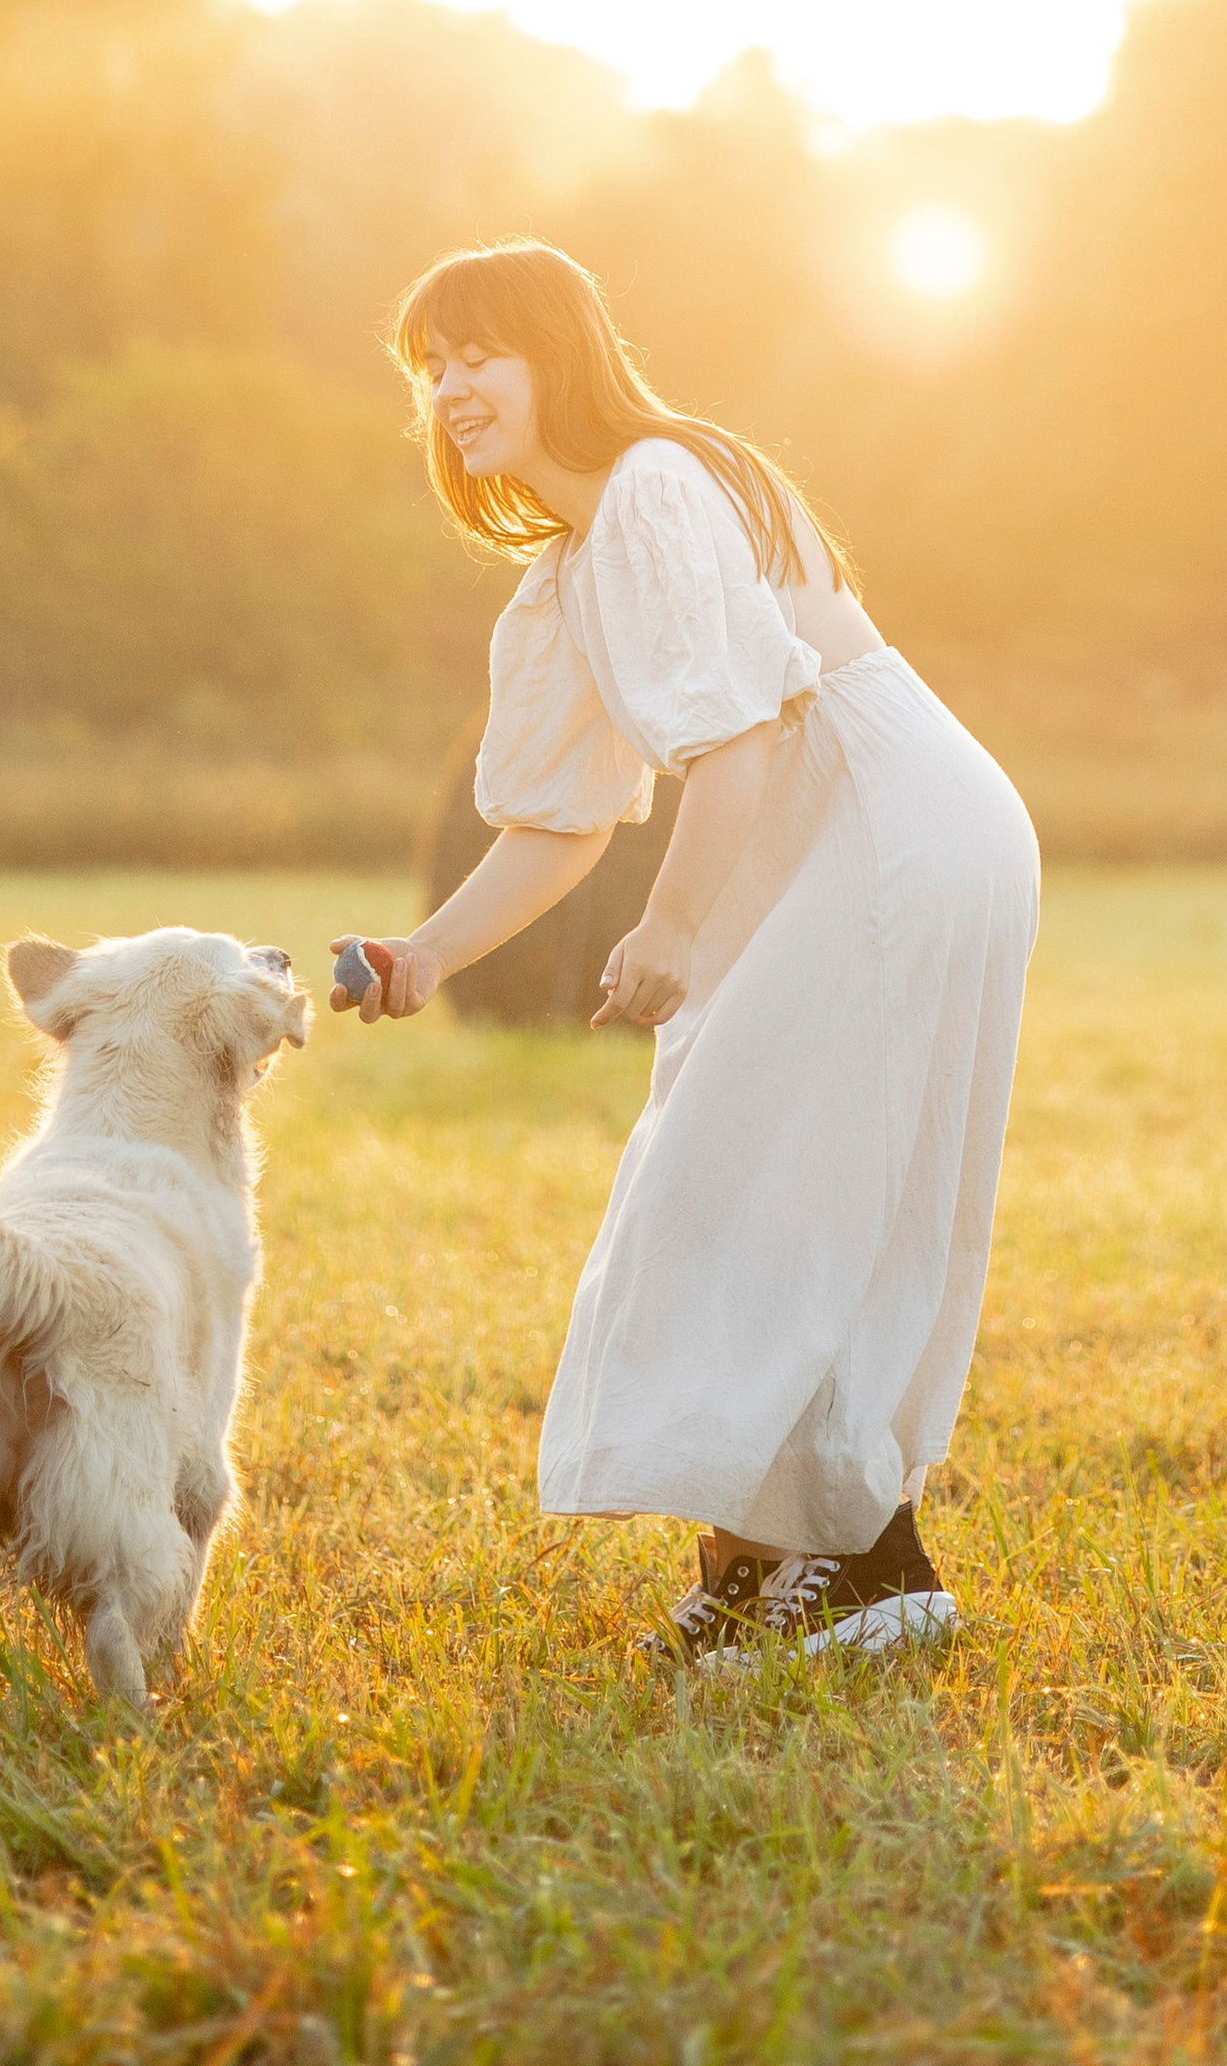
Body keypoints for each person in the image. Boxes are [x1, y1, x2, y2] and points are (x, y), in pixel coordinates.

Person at [334, 238, 1039, 1663]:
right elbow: (559, 827)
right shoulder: (570, 575)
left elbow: (739, 738)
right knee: (739, 1189)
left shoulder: (660, 486)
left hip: (894, 827)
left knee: (758, 1187)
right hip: (839, 840)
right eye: (433, 366)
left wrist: (667, 932)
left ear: (562, 355)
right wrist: (425, 958)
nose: (453, 385)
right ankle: (765, 1562)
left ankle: (873, 1573)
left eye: (483, 351)